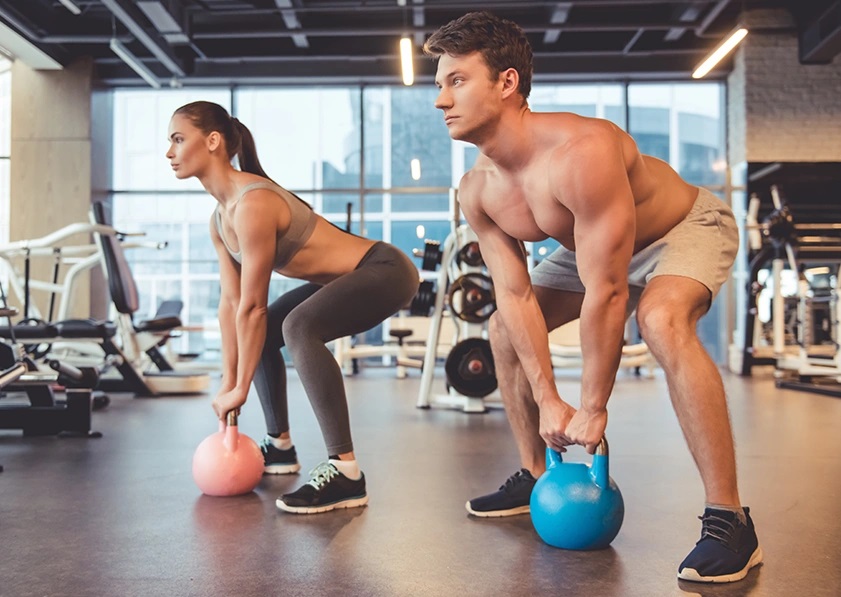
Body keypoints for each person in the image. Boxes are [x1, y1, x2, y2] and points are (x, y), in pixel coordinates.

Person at [424, 11, 761, 584]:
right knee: (503, 330)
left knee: (660, 319)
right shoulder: (478, 189)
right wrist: (548, 399)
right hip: (595, 249)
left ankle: (729, 518)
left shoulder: (583, 150)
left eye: (457, 80)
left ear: (507, 83)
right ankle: (535, 473)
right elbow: (513, 294)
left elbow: (607, 292)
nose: (440, 100)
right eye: (439, 84)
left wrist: (592, 405)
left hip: (680, 228)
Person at [166, 101, 419, 514]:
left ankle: (347, 473)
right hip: (347, 279)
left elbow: (253, 306)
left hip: (385, 269)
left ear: (212, 142)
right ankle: (279, 446)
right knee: (272, 333)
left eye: (178, 139)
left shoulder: (253, 204)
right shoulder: (220, 219)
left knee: (298, 326)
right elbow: (230, 306)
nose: (169, 152)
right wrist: (228, 381)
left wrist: (241, 388)